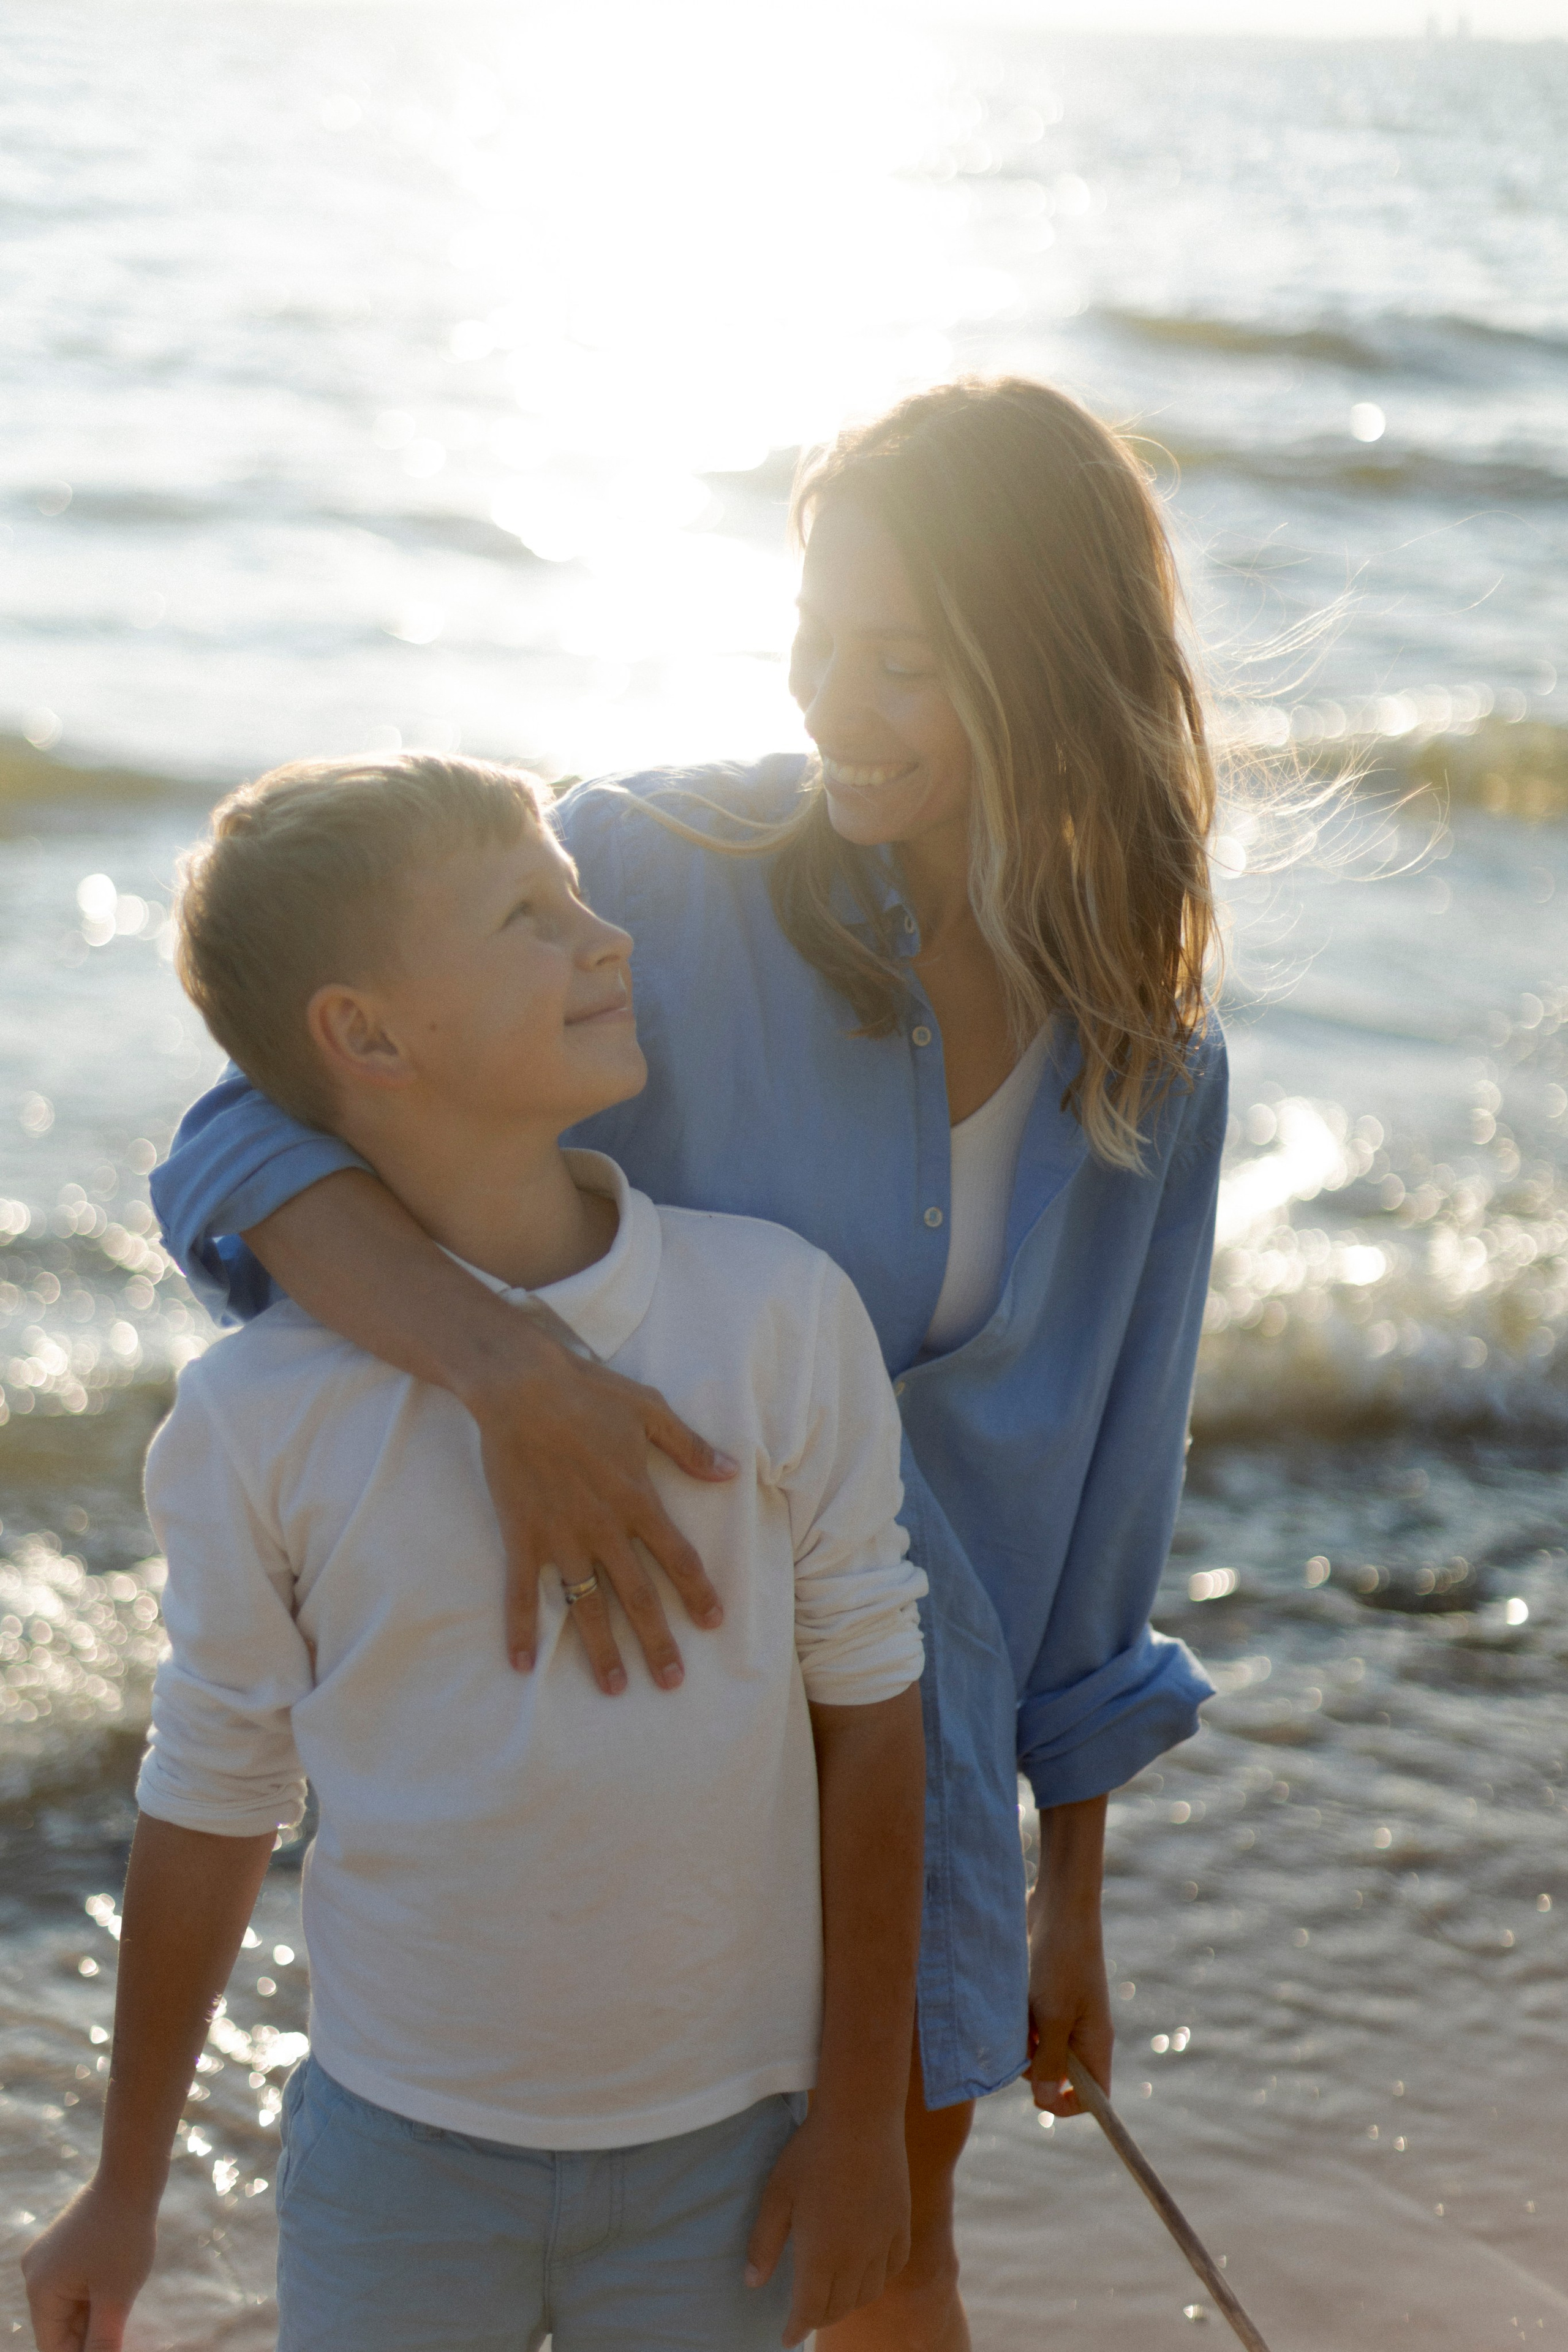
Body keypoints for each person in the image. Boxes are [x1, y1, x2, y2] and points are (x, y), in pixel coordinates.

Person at [149, 375, 1228, 2350]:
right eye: (819, 643)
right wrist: (508, 1373)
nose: (838, 707)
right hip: (634, 1747)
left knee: (893, 2273)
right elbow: (242, 1143)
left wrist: (1072, 1881)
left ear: (1047, 662)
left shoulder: (1153, 1045)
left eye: (904, 662)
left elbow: (1105, 1500)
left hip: (914, 1773)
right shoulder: (651, 865)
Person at [21, 755, 929, 2352]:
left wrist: (861, 2117)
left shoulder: (776, 1316)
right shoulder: (256, 1417)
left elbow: (872, 1715)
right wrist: (125, 2182)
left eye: (580, 896)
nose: (609, 937)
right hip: (395, 2157)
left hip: (725, 2147)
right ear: (363, 1036)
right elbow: (213, 1785)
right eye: (531, 914)